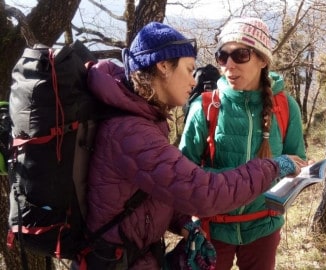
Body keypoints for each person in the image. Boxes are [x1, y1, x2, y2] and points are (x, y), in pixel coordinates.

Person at [84, 21, 296, 269]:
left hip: (133, 256)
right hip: (120, 260)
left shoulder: (140, 119)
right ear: (163, 66)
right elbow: (201, 191)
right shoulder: (131, 132)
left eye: (240, 55)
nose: (194, 81)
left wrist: (183, 221)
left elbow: (157, 188)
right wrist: (271, 168)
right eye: (188, 69)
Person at [179, 17, 308, 270]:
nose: (229, 64)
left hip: (264, 228)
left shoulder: (284, 107)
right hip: (212, 230)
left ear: (262, 59)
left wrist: (304, 172)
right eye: (222, 56)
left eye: (240, 54)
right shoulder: (204, 108)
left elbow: (296, 163)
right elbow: (184, 174)